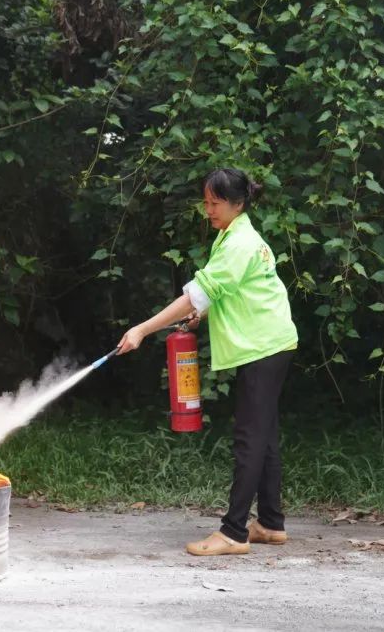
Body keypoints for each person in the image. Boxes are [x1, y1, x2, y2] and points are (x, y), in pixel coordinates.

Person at [117, 168, 298, 556]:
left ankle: (233, 532)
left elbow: (196, 293)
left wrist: (142, 330)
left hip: (264, 346)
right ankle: (270, 524)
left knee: (249, 439)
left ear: (238, 204)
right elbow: (228, 292)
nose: (209, 210)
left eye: (216, 203)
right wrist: (202, 313)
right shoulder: (233, 234)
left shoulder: (239, 244)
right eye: (206, 202)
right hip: (269, 342)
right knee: (264, 435)